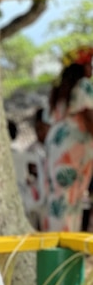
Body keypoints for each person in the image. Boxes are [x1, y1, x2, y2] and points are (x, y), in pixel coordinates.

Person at [41, 50, 93, 232]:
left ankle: (53, 238)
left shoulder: (61, 89)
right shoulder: (84, 86)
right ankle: (67, 242)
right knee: (71, 196)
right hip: (74, 143)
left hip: (57, 141)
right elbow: (89, 116)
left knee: (56, 194)